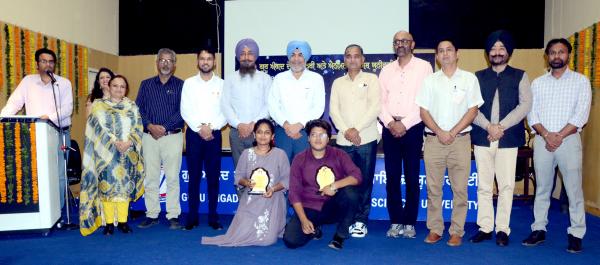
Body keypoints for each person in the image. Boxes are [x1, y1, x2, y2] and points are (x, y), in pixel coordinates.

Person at [522, 38, 591, 253]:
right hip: (543, 141)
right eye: (552, 53)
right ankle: (539, 229)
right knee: (542, 188)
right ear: (547, 56)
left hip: (569, 141)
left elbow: (581, 114)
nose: (557, 56)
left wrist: (559, 136)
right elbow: (532, 114)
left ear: (568, 55)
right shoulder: (538, 83)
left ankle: (576, 233)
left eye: (561, 52)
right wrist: (546, 135)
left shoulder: (580, 81)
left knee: (573, 190)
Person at [416, 39, 483, 247]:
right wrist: (440, 132)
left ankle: (456, 231)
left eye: (449, 50)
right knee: (434, 189)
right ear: (436, 56)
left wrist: (452, 132)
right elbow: (423, 111)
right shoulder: (430, 81)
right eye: (441, 51)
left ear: (457, 53)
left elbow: (473, 110)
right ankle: (435, 229)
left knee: (460, 189)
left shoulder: (469, 79)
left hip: (460, 141)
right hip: (434, 141)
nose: (445, 54)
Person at [469, 30, 532, 247]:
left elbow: (525, 105)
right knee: (484, 186)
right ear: (488, 53)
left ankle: (502, 229)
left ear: (509, 52)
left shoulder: (520, 75)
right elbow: (472, 107)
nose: (497, 52)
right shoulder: (477, 77)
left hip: (508, 137)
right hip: (482, 135)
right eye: (493, 49)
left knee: (506, 186)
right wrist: (488, 126)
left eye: (501, 48)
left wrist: (500, 127)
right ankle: (485, 227)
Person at [1, 48, 73, 213]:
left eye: (51, 62)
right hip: (34, 134)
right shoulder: (28, 81)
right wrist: (2, 119)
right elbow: (14, 103)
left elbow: (67, 109)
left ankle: (58, 212)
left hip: (59, 133)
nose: (47, 64)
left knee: (59, 175)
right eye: (43, 61)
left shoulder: (63, 83)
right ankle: (40, 210)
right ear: (37, 63)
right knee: (35, 173)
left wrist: (49, 117)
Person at [378, 30, 433, 239]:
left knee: (411, 176)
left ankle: (409, 222)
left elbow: (424, 101)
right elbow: (380, 101)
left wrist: (405, 124)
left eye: (404, 41)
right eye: (396, 42)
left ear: (412, 44)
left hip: (414, 127)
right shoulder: (386, 70)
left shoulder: (424, 67)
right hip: (390, 127)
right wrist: (391, 122)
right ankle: (395, 221)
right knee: (392, 177)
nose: (400, 44)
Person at [202, 119, 290, 246]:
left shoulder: (280, 154)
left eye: (267, 132)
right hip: (251, 199)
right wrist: (247, 183)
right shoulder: (246, 153)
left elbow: (286, 180)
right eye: (259, 132)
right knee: (241, 233)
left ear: (272, 136)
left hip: (273, 200)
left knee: (267, 240)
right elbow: (238, 177)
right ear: (254, 135)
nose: (263, 136)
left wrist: (273, 189)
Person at [79, 75, 144, 236]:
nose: (119, 89)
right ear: (109, 87)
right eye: (115, 86)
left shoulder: (132, 106)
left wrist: (128, 143)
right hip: (106, 154)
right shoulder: (99, 105)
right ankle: (108, 223)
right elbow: (98, 127)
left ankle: (122, 222)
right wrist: (115, 142)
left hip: (127, 154)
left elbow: (138, 127)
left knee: (123, 189)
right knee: (106, 189)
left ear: (126, 89)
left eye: (122, 86)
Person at [283, 119, 362, 250]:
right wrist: (303, 219)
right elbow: (294, 193)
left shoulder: (339, 154)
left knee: (351, 192)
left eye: (322, 135)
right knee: (291, 241)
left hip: (332, 206)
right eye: (314, 134)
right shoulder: (299, 159)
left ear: (328, 138)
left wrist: (334, 185)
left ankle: (340, 235)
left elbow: (357, 176)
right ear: (308, 138)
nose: (318, 139)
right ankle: (315, 228)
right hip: (309, 207)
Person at [329, 44, 381, 238]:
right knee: (345, 183)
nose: (352, 59)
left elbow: (375, 108)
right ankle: (346, 218)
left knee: (365, 182)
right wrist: (347, 131)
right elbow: (333, 111)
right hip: (343, 141)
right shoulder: (337, 83)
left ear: (363, 59)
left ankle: (360, 220)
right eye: (348, 56)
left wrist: (356, 130)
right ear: (344, 59)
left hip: (366, 139)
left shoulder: (372, 79)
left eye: (356, 56)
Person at [135, 48, 185, 230]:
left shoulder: (181, 85)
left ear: (174, 64)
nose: (165, 63)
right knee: (151, 177)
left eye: (169, 60)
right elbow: (138, 110)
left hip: (172, 136)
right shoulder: (145, 84)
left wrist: (163, 128)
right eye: (162, 60)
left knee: (172, 178)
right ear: (157, 63)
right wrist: (150, 126)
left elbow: (183, 112)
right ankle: (152, 214)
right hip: (149, 137)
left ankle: (173, 215)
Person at [180, 47, 226, 230]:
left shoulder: (222, 84)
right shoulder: (189, 83)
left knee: (214, 178)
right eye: (202, 58)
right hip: (194, 135)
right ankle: (192, 217)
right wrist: (200, 128)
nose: (205, 62)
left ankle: (213, 217)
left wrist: (211, 127)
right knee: (194, 178)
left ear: (214, 62)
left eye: (209, 59)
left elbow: (225, 111)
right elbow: (185, 110)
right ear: (197, 61)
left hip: (214, 135)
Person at [268, 40, 325, 162]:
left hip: (306, 133)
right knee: (281, 172)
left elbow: (318, 107)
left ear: (306, 58)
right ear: (288, 58)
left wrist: (299, 125)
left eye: (300, 55)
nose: (296, 59)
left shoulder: (316, 79)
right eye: (293, 55)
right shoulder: (279, 78)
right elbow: (272, 106)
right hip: (283, 132)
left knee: (304, 171)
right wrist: (287, 125)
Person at [221, 38, 272, 168]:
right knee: (241, 172)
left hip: (259, 133)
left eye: (250, 53)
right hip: (237, 133)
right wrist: (239, 125)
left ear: (255, 56)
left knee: (261, 171)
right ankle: (242, 190)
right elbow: (225, 105)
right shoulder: (230, 79)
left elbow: (269, 105)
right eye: (242, 53)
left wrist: (253, 124)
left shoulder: (265, 79)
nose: (246, 57)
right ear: (238, 57)